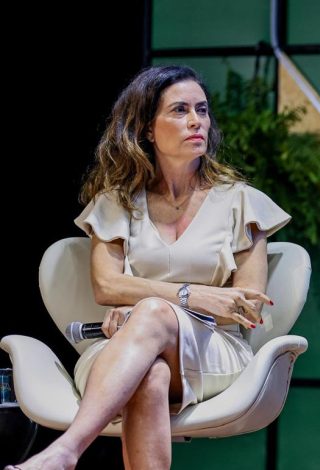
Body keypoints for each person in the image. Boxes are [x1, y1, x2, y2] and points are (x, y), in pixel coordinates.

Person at [8, 65, 290, 470]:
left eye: (202, 110)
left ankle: (66, 451)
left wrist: (146, 306)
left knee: (153, 313)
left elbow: (246, 307)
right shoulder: (116, 201)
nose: (196, 121)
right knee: (151, 375)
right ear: (147, 129)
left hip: (214, 351)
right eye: (179, 110)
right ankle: (66, 452)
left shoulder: (242, 202)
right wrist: (189, 296)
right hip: (122, 347)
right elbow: (106, 287)